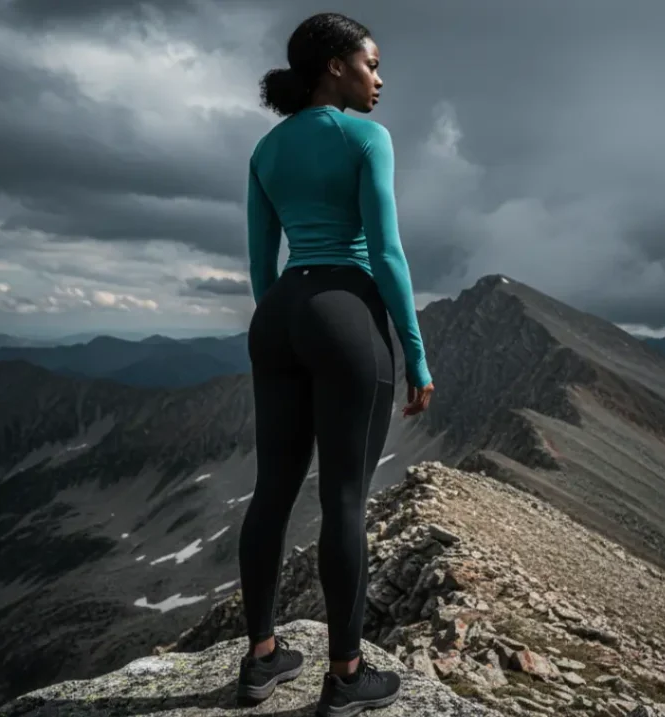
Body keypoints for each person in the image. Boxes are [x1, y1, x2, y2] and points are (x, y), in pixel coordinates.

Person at [235, 11, 435, 717]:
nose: (379, 80)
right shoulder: (366, 137)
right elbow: (385, 252)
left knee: (272, 492)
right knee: (344, 497)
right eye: (371, 65)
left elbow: (263, 262)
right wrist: (413, 350)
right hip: (346, 311)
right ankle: (346, 677)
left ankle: (260, 659)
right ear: (334, 67)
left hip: (281, 312)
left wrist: (285, 327)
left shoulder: (265, 150)